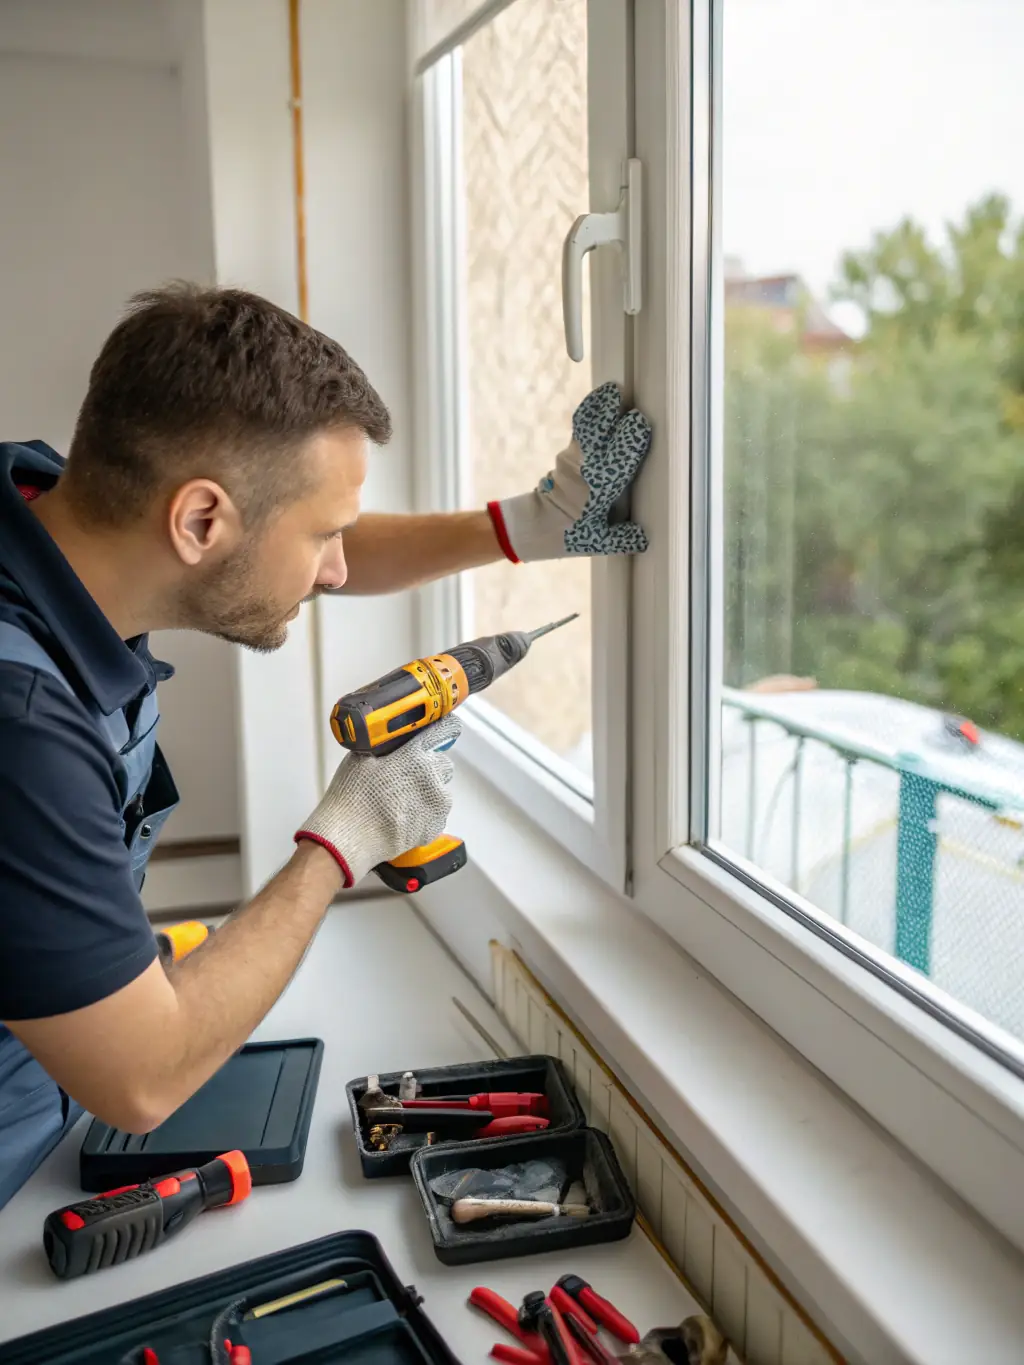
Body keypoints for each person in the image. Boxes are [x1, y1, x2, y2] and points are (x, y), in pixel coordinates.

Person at [0, 284, 652, 1210]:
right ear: (197, 521)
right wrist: (342, 838)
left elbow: (273, 530)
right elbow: (140, 1081)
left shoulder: (49, 502)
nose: (339, 569)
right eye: (325, 537)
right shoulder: (22, 724)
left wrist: (528, 524)